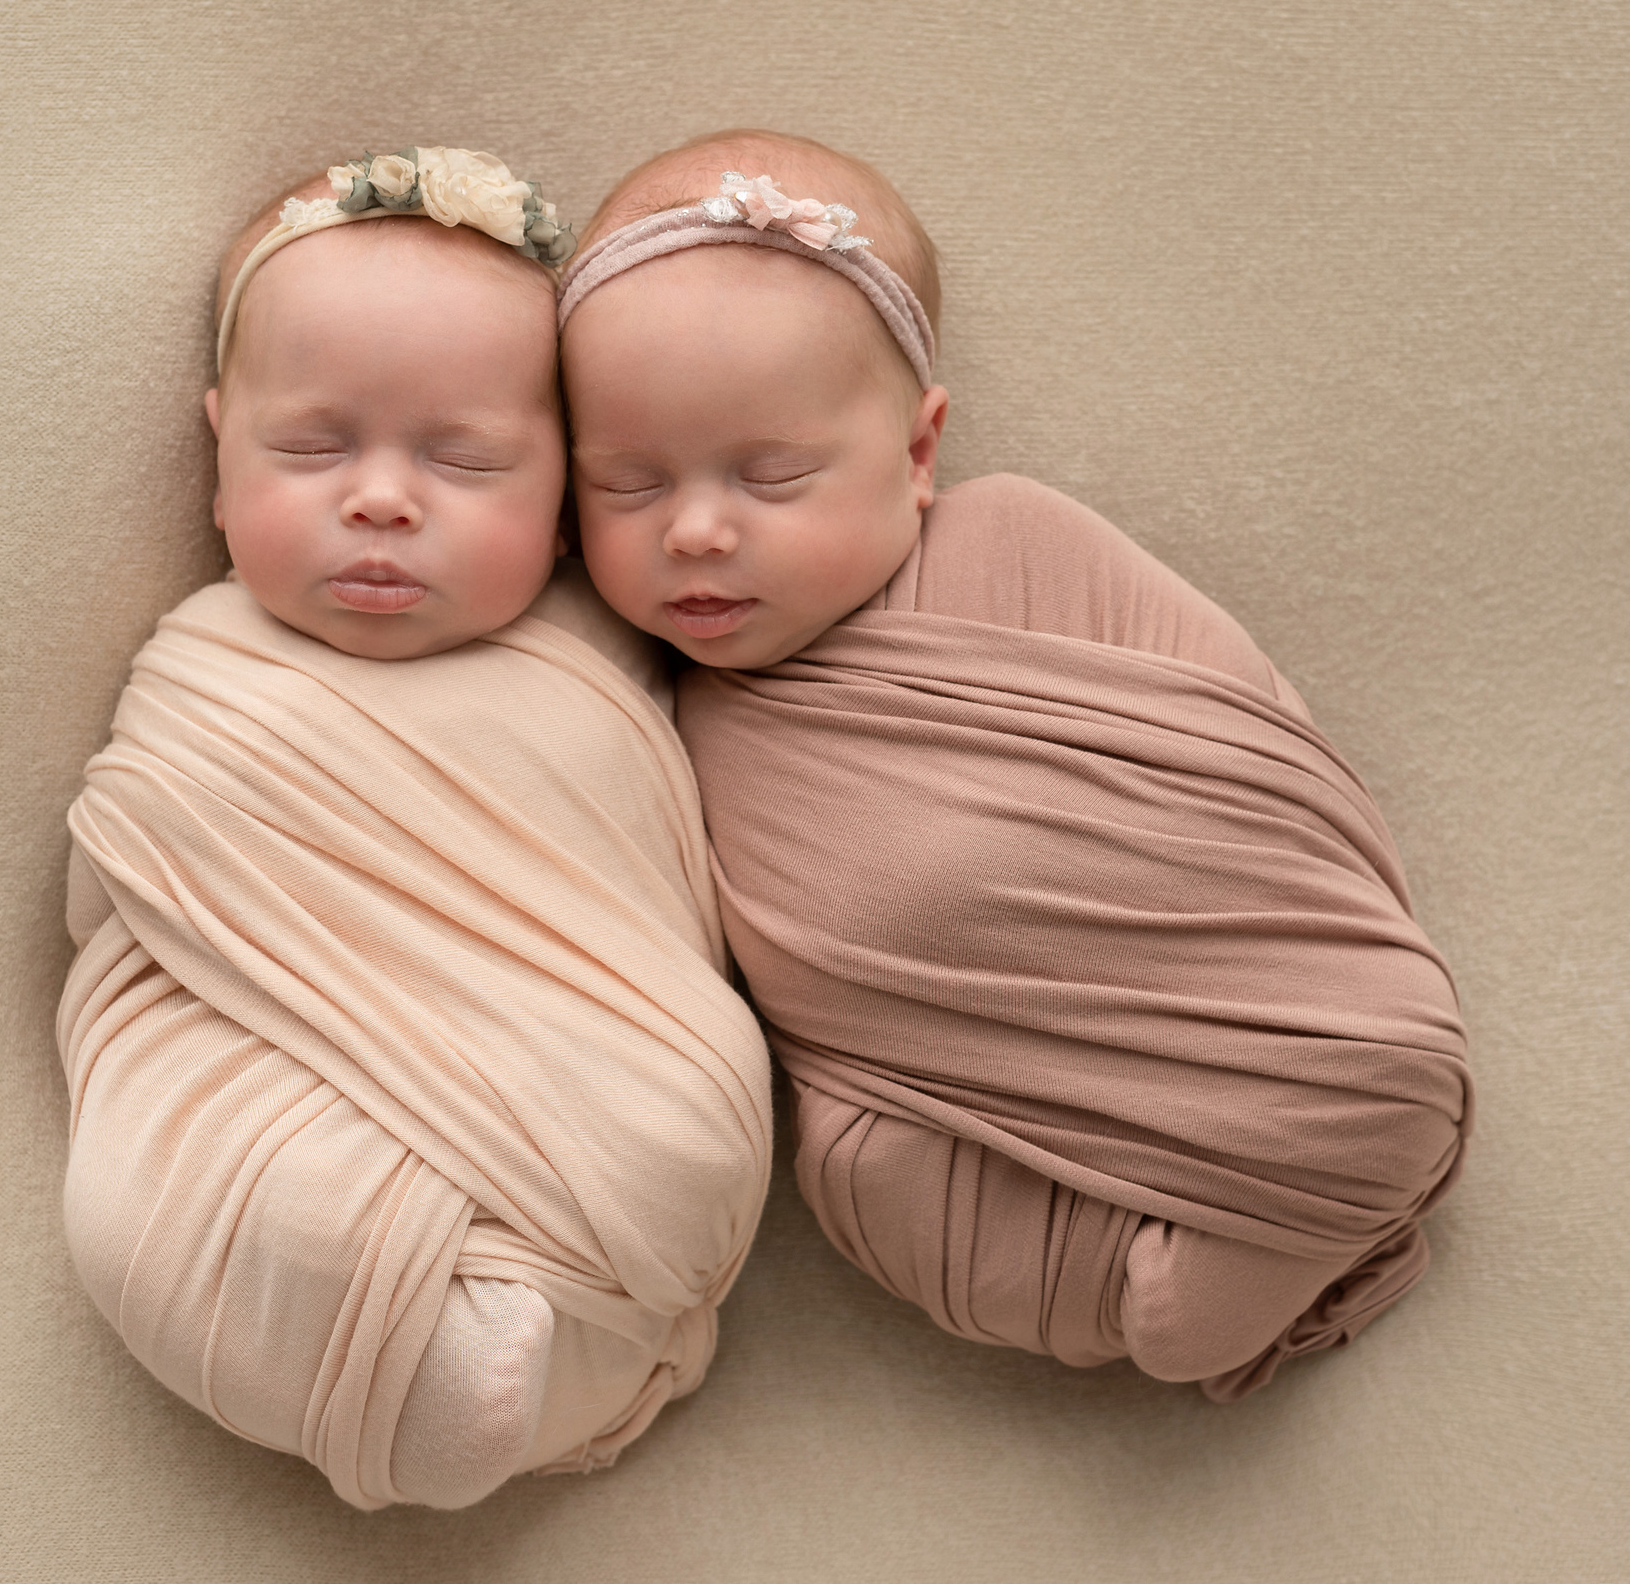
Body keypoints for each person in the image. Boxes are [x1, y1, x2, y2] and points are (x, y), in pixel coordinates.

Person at [558, 131, 1470, 1400]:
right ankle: (1228, 1235)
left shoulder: (1020, 547)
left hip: (1255, 1018)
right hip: (937, 1117)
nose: (697, 530)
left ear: (917, 452)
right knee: (875, 1179)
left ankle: (1304, 1160)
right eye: (626, 483)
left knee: (1385, 1068)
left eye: (773, 475)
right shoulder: (642, 704)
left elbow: (1247, 764)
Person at [57, 148, 770, 1509]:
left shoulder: (605, 649)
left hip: (569, 1083)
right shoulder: (209, 667)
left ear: (566, 504)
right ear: (218, 456)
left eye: (465, 458)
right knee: (182, 1204)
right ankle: (422, 1360)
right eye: (310, 447)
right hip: (271, 1060)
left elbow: (660, 892)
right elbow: (127, 896)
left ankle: (491, 1342)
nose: (381, 498)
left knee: (687, 1117)